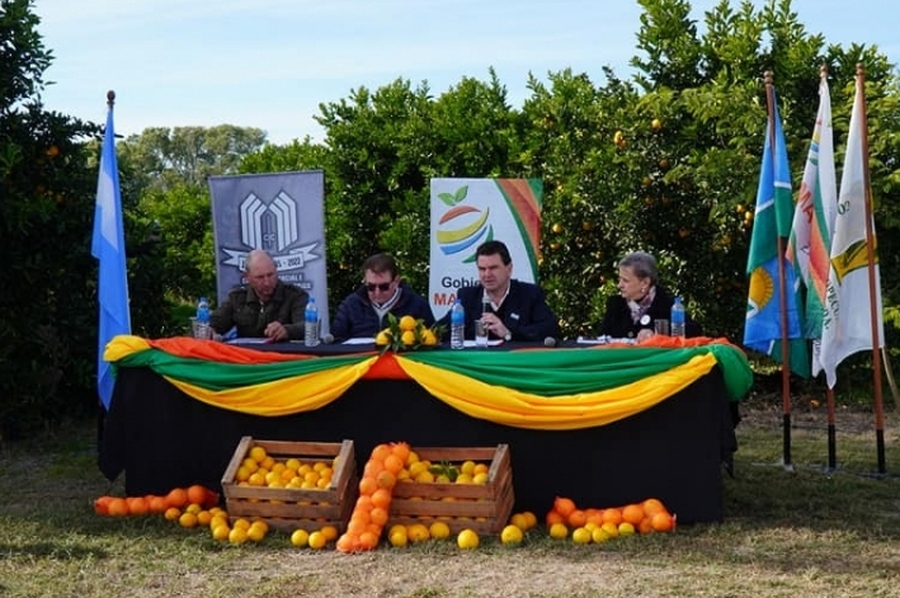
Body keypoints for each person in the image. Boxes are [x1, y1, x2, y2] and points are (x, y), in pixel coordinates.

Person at [438, 240, 560, 342]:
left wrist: (508, 333)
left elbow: (551, 329)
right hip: (476, 365)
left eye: (493, 268)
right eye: (482, 269)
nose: (487, 274)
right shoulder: (467, 296)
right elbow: (441, 329)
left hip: (515, 365)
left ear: (509, 269)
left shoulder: (529, 294)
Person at [598, 251, 701, 341]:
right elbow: (602, 341)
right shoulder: (615, 305)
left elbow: (694, 331)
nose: (619, 285)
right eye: (620, 279)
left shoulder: (666, 304)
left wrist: (655, 333)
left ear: (645, 283)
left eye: (625, 280)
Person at [330, 253, 434, 341]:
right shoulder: (351, 305)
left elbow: (431, 340)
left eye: (384, 286)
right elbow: (337, 340)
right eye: (371, 286)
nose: (377, 292)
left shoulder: (417, 305)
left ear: (396, 281)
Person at [210, 249, 309, 341]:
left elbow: (307, 327)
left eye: (270, 275)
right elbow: (215, 322)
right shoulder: (237, 298)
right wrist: (210, 331)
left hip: (285, 357)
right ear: (247, 277)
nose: (267, 282)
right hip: (248, 357)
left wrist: (287, 331)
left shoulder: (295, 296)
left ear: (276, 270)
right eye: (260, 277)